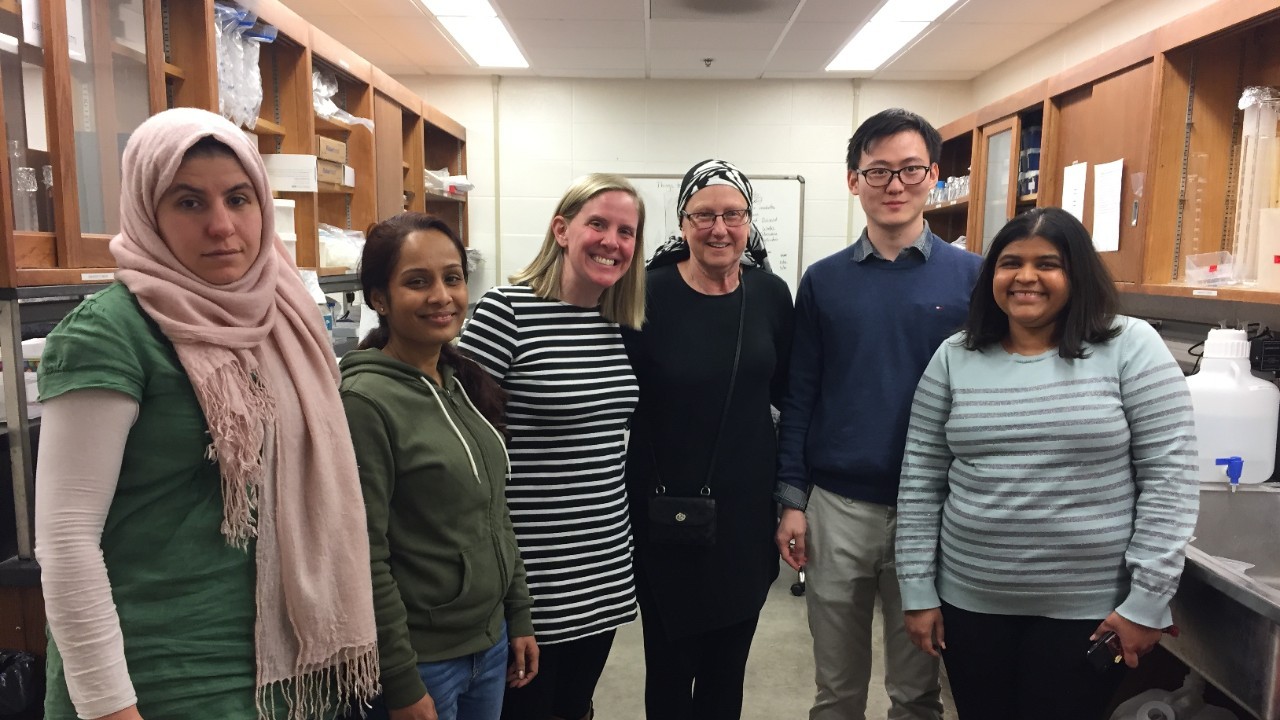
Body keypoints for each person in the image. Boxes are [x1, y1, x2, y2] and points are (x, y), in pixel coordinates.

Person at [33, 107, 379, 720]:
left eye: (238, 199)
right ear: (148, 210)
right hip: (161, 679)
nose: (222, 226)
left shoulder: (282, 317)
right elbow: (66, 540)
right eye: (189, 202)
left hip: (287, 672)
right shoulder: (108, 334)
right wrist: (111, 707)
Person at [895, 207, 1198, 720]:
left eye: (1048, 264)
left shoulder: (1130, 346)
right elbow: (921, 479)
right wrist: (917, 590)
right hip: (971, 604)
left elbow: (1170, 480)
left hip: (1091, 613)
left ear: (1077, 274)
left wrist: (1147, 602)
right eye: (1011, 263)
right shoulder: (955, 356)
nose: (1026, 277)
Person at [774, 107, 982, 720]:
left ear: (933, 176)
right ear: (853, 180)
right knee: (836, 692)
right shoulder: (823, 281)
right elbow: (800, 396)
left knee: (916, 693)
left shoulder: (974, 278)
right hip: (838, 507)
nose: (895, 184)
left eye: (910, 169)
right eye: (878, 171)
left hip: (937, 508)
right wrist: (792, 500)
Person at [457, 174, 646, 720]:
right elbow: (463, 442)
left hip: (603, 568)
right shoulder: (507, 313)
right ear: (562, 230)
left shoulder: (617, 323)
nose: (612, 241)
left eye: (626, 231)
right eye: (598, 224)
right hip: (533, 577)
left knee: (575, 707)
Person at [341, 212, 539, 720]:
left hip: (488, 645)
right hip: (422, 662)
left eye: (452, 278)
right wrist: (401, 681)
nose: (442, 296)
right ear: (379, 298)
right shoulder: (365, 402)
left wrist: (518, 615)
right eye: (417, 282)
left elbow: (495, 513)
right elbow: (364, 556)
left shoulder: (459, 382)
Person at [622, 159, 793, 720]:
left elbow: (790, 396)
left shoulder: (771, 295)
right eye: (704, 215)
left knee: (727, 674)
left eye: (733, 214)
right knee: (669, 674)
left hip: (744, 519)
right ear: (682, 221)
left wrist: (793, 500)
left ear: (748, 221)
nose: (720, 228)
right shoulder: (643, 295)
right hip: (662, 516)